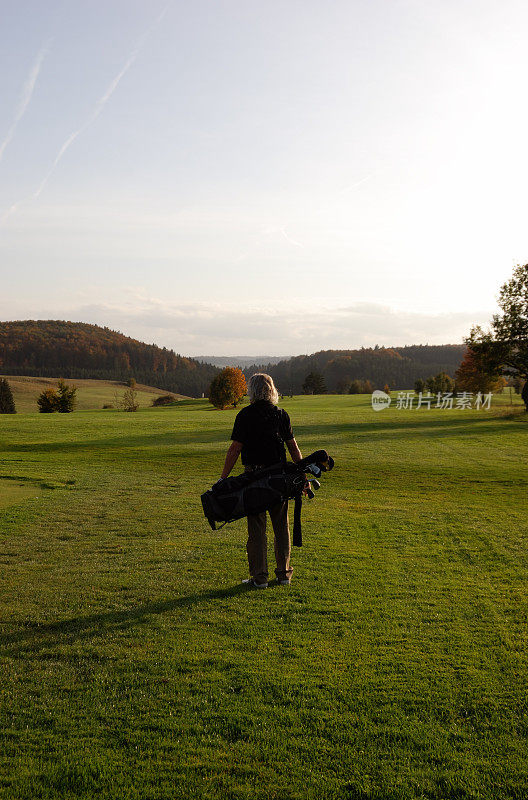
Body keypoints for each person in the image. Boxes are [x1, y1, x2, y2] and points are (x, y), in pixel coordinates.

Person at [219, 373, 303, 589]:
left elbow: (234, 449)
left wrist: (223, 479)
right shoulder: (281, 415)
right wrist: (302, 475)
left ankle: (259, 578)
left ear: (252, 391)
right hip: (278, 479)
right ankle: (284, 575)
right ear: (272, 390)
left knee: (257, 530)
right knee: (281, 526)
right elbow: (293, 448)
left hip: (254, 479)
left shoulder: (245, 415)